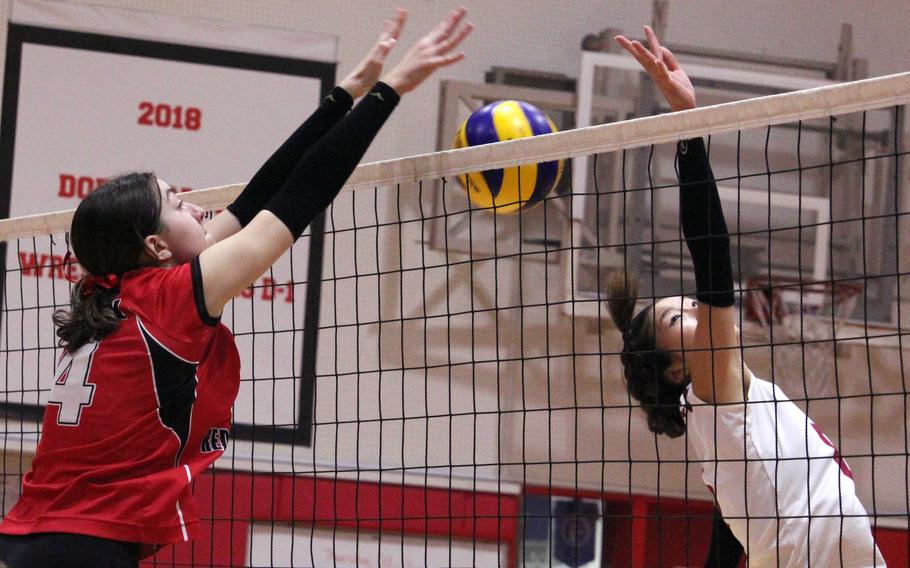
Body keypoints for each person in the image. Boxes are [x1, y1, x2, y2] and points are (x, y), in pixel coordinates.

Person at [0, 8, 472, 568]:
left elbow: (256, 199)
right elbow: (299, 197)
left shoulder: (123, 295)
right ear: (155, 246)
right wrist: (392, 90)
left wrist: (347, 91)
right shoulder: (169, 300)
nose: (199, 206)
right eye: (178, 203)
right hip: (82, 549)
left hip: (30, 536)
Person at [609, 27, 885, 567]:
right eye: (675, 316)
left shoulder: (728, 413)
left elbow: (731, 525)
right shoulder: (713, 386)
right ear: (674, 370)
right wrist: (688, 129)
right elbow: (712, 256)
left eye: (682, 301)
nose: (692, 304)